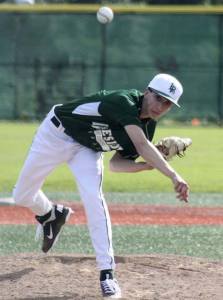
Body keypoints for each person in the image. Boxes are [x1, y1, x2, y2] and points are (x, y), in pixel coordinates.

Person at [13, 73, 189, 299]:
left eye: (168, 103)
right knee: (21, 195)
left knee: (94, 199)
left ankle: (107, 274)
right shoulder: (124, 102)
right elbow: (141, 145)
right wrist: (173, 175)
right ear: (147, 92)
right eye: (158, 98)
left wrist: (148, 166)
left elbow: (117, 164)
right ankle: (49, 213)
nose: (161, 106)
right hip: (55, 134)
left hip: (88, 149)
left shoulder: (147, 128)